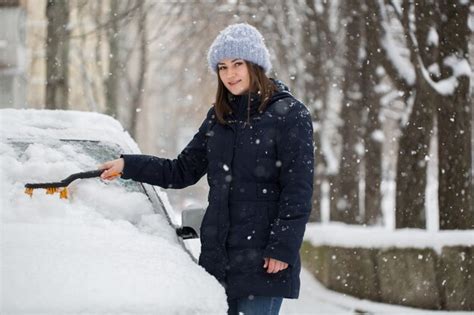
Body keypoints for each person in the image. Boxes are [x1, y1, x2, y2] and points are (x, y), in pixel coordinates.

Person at [100, 23, 314, 315]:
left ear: (256, 65)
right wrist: (129, 164)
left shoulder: (290, 115)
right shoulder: (219, 118)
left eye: (238, 64)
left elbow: (298, 190)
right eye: (223, 67)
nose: (230, 74)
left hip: (263, 260)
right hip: (218, 262)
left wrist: (282, 248)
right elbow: (181, 171)